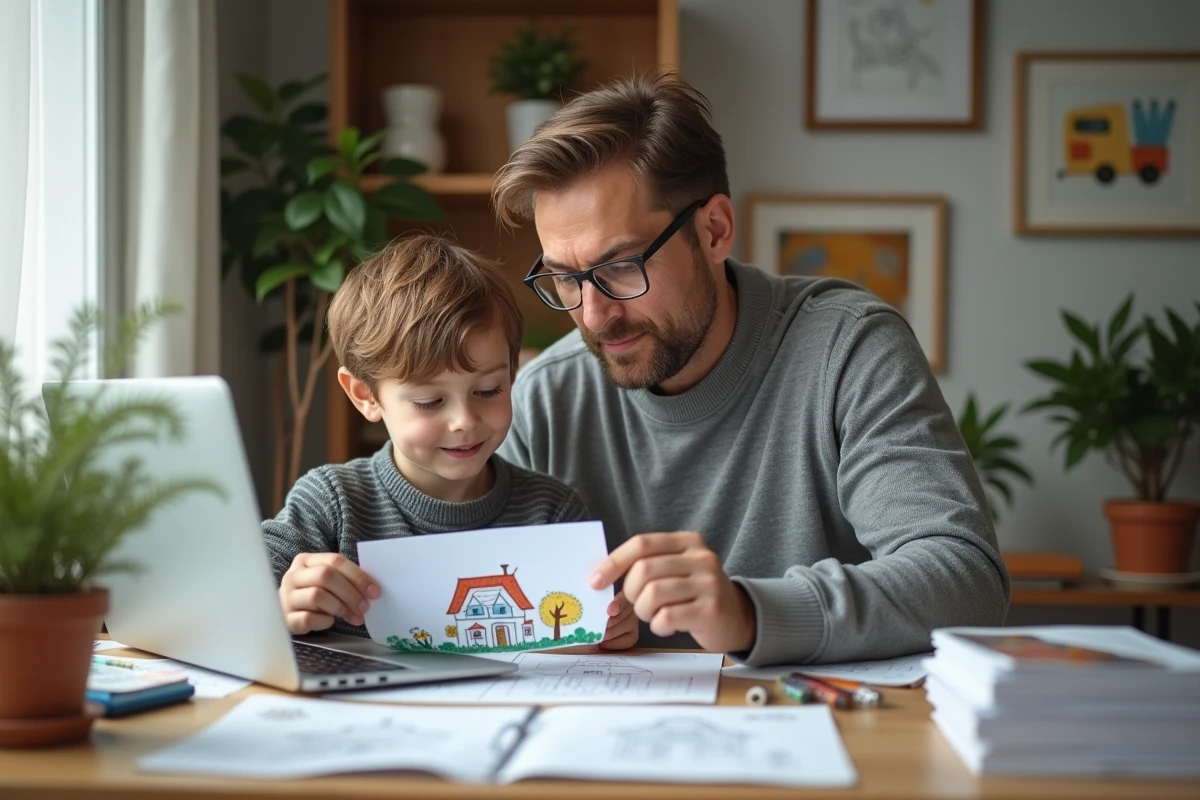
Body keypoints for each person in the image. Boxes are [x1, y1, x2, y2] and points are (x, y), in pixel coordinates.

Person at [492, 74, 1009, 666]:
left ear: (714, 231)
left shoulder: (848, 349)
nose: (594, 314)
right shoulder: (546, 397)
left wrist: (748, 612)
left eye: (622, 265)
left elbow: (967, 580)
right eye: (565, 277)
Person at [261, 234, 639, 649]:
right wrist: (280, 603)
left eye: (488, 390)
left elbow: (585, 641)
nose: (464, 421)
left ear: (512, 374)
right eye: (429, 401)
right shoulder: (331, 503)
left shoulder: (553, 512)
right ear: (365, 396)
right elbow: (232, 596)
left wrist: (611, 631)